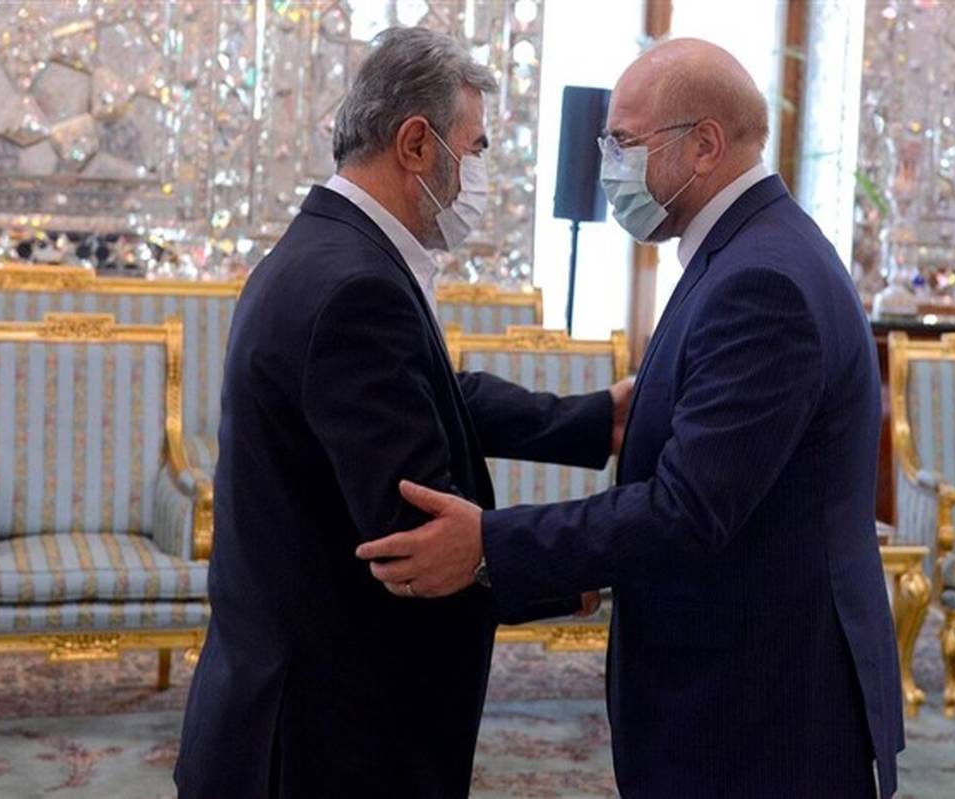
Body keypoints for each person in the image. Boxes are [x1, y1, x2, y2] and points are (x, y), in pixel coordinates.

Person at [357, 38, 905, 798]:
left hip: (762, 708)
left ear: (704, 145)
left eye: (623, 141)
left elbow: (687, 510)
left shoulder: (763, 281)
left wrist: (490, 544)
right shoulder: (746, 251)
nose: (609, 163)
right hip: (738, 689)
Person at [174, 27, 628, 798]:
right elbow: (416, 543)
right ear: (416, 143)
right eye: (475, 149)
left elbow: (434, 395)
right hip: (323, 742)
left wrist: (592, 419)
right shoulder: (356, 285)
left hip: (286, 708)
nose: (479, 175)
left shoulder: (329, 249)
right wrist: (575, 573)